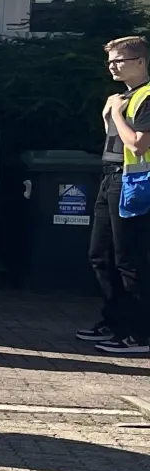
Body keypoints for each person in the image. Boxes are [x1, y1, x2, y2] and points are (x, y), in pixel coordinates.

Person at [80, 35, 150, 355]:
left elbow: (137, 144)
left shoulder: (146, 97)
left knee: (129, 260)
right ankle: (115, 322)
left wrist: (117, 113)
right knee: (101, 255)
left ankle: (138, 334)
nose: (112, 65)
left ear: (140, 62)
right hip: (110, 177)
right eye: (109, 61)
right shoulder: (122, 96)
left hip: (133, 183)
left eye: (119, 60)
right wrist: (113, 110)